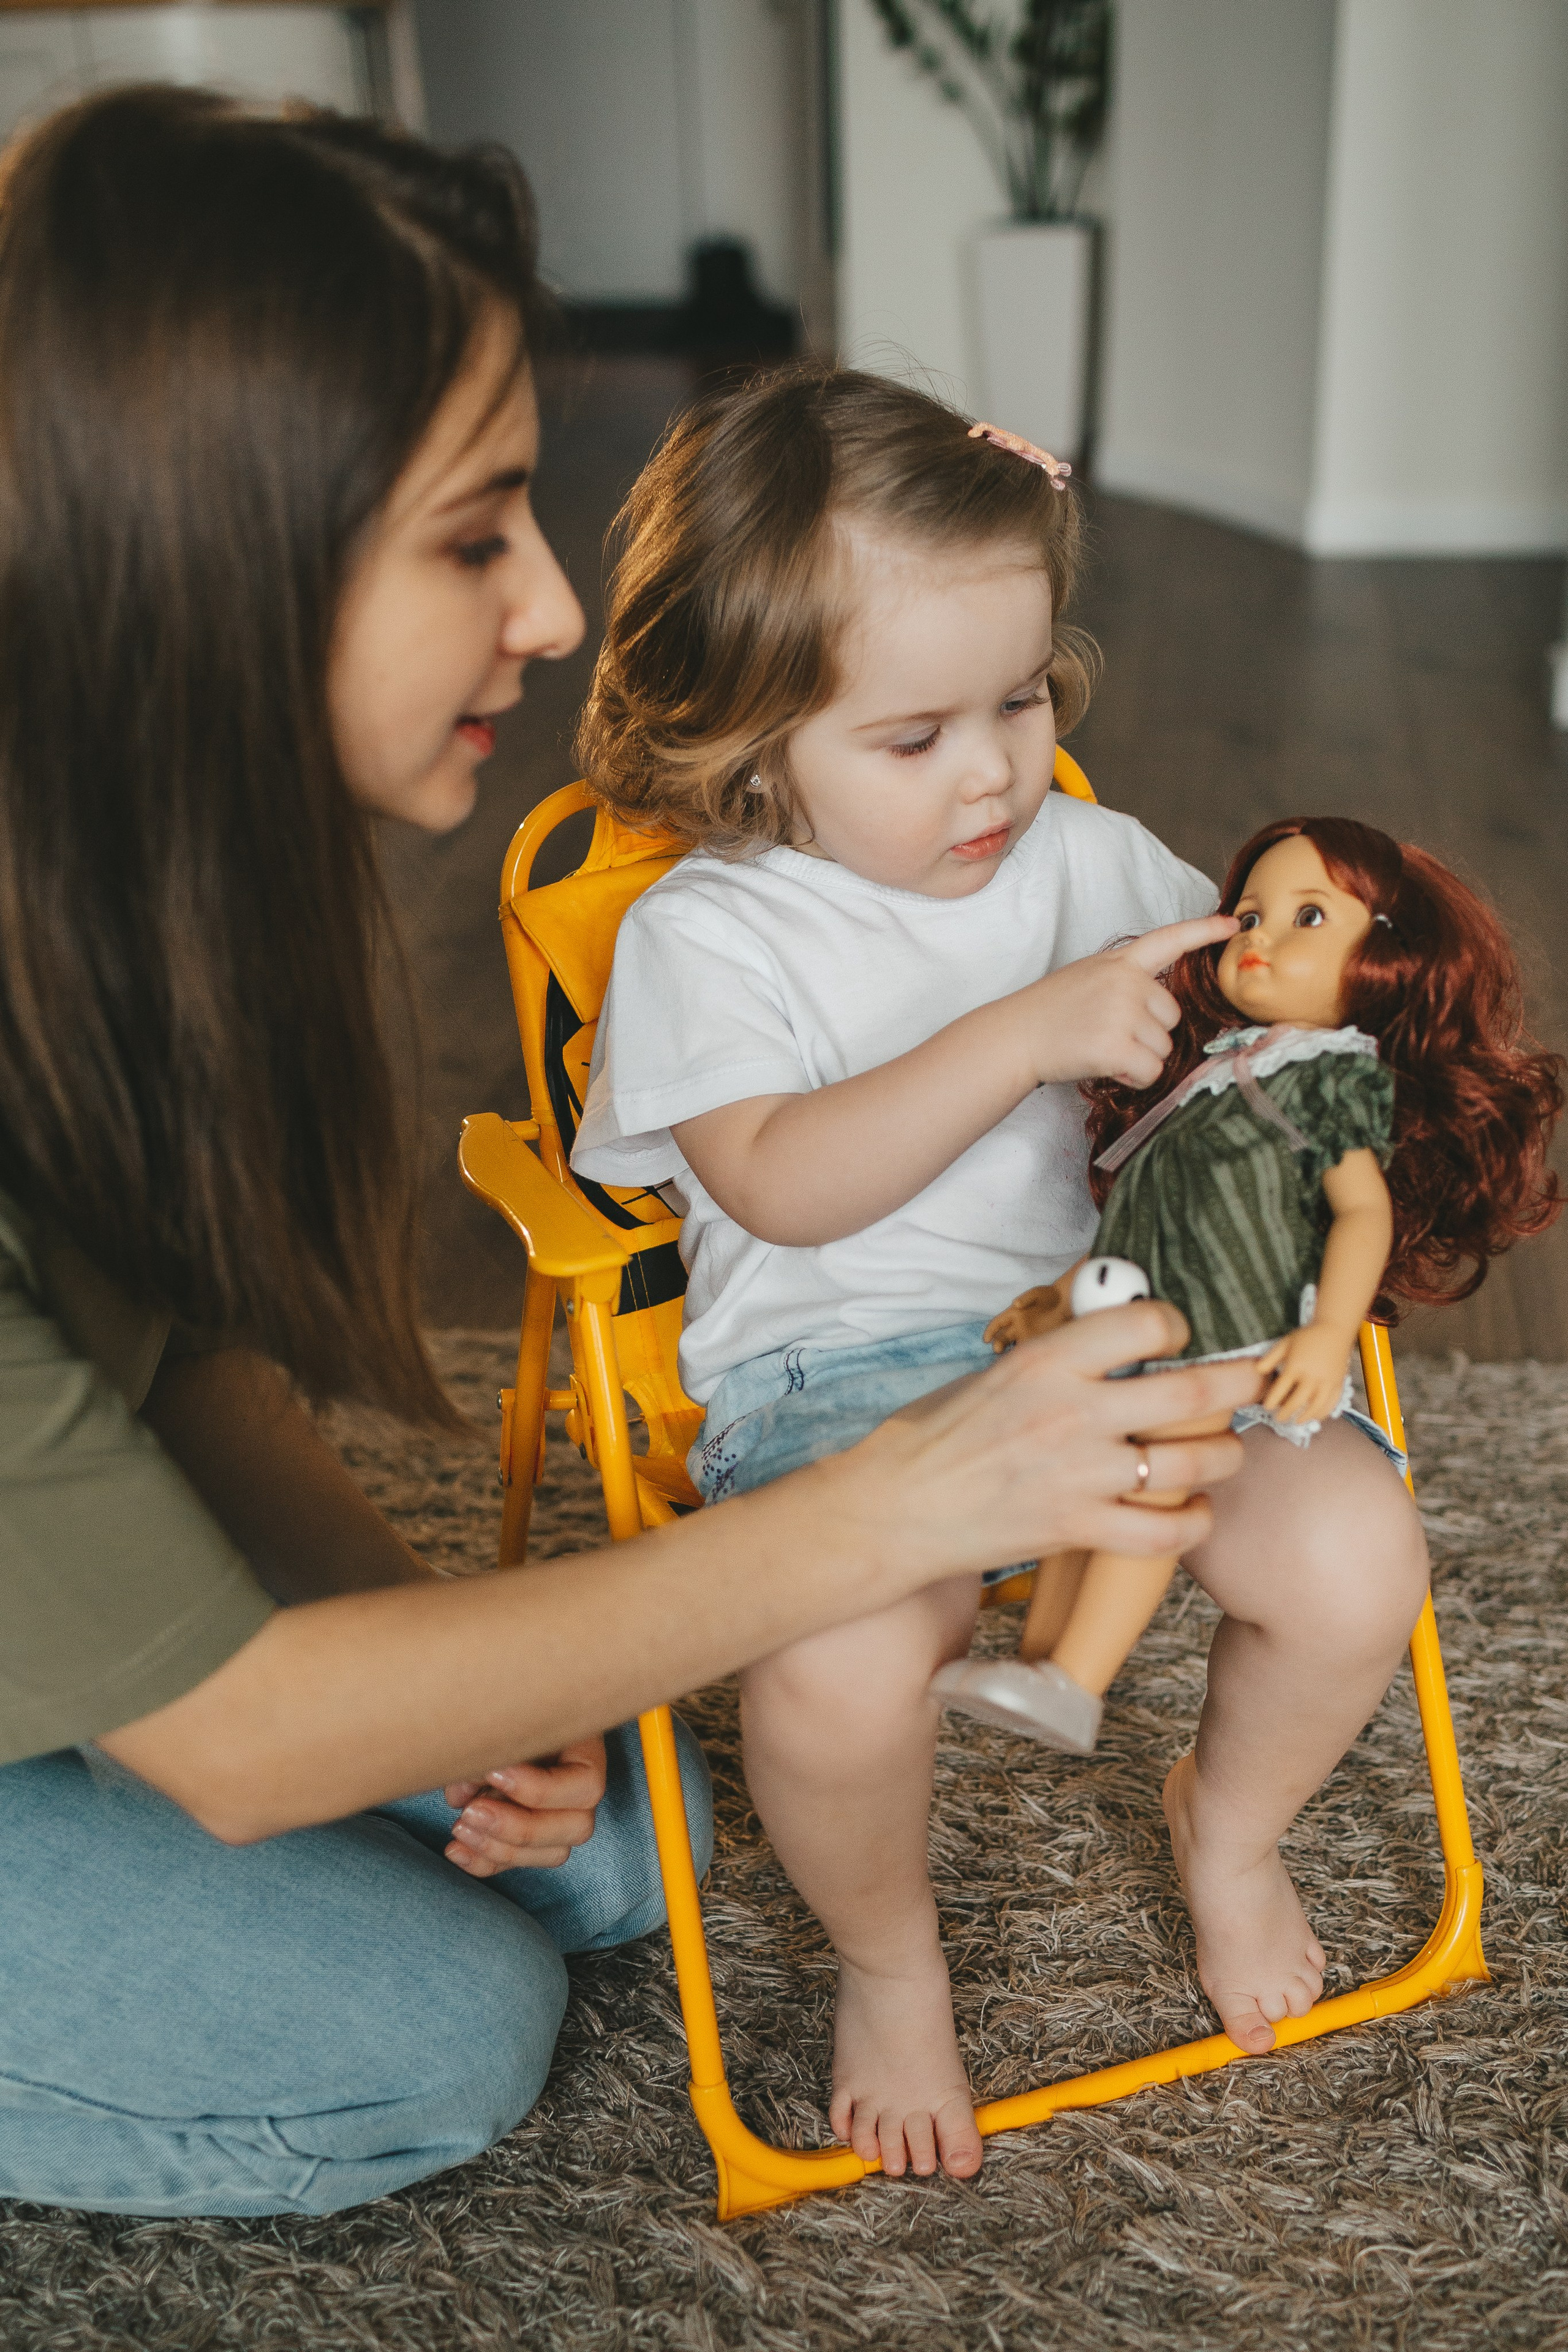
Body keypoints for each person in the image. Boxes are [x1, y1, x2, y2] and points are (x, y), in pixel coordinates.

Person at [0, 89, 1252, 2222]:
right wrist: (906, 1501)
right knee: (439, 2032)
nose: (557, 611)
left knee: (617, 1839)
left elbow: (176, 1358)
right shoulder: (703, 937)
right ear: (218, 554)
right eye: (476, 532)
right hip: (145, 1692)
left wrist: (448, 1676)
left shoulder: (136, 894)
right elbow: (239, 1736)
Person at [571, 369, 1433, 2184]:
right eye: (913, 737)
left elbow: (1254, 1036)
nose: (992, 771)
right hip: (840, 1377)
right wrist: (1024, 1033)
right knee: (830, 1669)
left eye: (1022, 699)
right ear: (750, 742)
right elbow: (782, 1183)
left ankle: (1228, 1826)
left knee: (1355, 1551)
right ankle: (891, 1966)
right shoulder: (708, 933)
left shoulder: (1092, 858)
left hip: (1138, 1338)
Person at [946, 817, 1561, 1749]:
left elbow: (1361, 1213)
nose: (1260, 937)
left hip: (1227, 1324)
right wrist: (1062, 1297)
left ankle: (1075, 1682)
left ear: (1389, 959)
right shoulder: (1220, 1074)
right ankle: (1037, 1662)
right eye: (1248, 915)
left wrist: (1327, 1335)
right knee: (1090, 1488)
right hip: (1141, 1315)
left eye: (1309, 916)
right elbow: (1153, 1218)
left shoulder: (1327, 1078)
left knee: (1148, 1490)